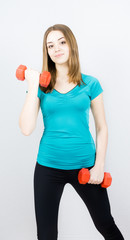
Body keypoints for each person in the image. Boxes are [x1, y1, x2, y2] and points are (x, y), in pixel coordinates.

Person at [19, 24, 125, 240]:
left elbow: (102, 127)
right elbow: (27, 128)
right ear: (46, 51)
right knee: (46, 235)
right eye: (50, 45)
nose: (56, 48)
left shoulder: (90, 84)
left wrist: (99, 165)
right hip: (48, 168)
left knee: (106, 224)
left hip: (85, 165)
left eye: (62, 42)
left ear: (71, 45)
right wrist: (32, 85)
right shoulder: (41, 86)